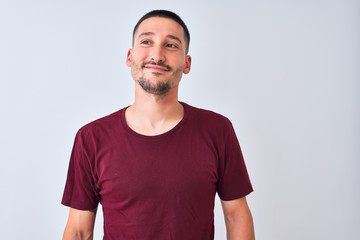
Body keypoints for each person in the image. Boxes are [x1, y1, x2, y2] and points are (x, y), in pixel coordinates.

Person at [62, 9, 254, 240]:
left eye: (171, 45)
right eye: (146, 41)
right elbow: (79, 231)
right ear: (129, 56)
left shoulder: (218, 130)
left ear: (187, 63)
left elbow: (237, 216)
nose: (157, 54)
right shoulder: (91, 138)